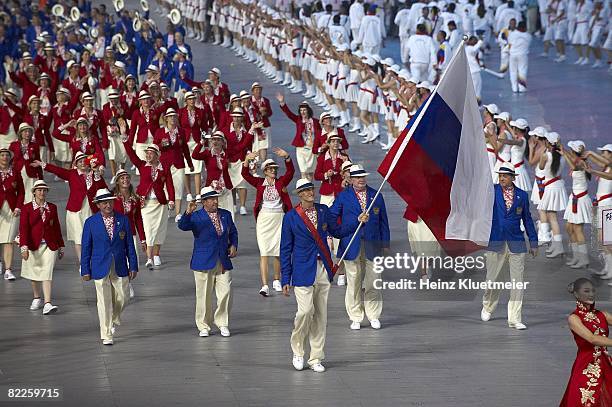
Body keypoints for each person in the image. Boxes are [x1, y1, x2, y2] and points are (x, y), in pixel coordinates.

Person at [280, 178, 359, 373]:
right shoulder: (290, 217)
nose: (310, 192)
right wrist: (285, 278)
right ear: (299, 194)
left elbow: (337, 231)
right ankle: (298, 349)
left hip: (323, 268)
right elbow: (285, 248)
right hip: (301, 270)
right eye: (305, 190)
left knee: (321, 316)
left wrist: (357, 221)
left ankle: (316, 357)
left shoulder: (323, 211)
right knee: (305, 311)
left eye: (311, 189)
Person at [329, 164, 390, 330]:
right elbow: (332, 216)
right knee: (354, 281)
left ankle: (374, 315)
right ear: (351, 179)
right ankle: (355, 316)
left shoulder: (376, 195)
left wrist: (385, 243)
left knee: (374, 280)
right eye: (357, 177)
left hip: (373, 243)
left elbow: (383, 221)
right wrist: (342, 230)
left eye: (363, 176)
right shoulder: (343, 196)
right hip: (351, 243)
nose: (361, 179)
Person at [481, 164, 538, 330]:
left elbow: (527, 219)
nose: (501, 179)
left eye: (505, 176)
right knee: (492, 279)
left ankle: (514, 318)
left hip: (516, 242)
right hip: (496, 240)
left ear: (513, 177)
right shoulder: (491, 191)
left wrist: (533, 242)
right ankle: (488, 305)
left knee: (517, 282)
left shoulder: (521, 195)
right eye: (500, 176)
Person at [178, 186, 238, 338]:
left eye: (215, 198)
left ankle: (222, 322)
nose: (214, 201)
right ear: (204, 202)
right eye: (211, 199)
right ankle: (203, 325)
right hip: (203, 260)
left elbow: (233, 232)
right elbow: (183, 226)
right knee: (203, 295)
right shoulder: (196, 216)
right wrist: (188, 212)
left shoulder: (226, 214)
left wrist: (233, 244)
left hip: (223, 260)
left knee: (226, 292)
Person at [81, 188, 138, 346]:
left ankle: (113, 317)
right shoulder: (90, 223)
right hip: (99, 266)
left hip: (120, 264)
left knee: (125, 296)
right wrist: (85, 269)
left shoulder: (123, 219)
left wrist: (133, 265)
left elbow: (129, 245)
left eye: (110, 201)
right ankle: (106, 334)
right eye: (104, 202)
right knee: (104, 301)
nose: (108, 205)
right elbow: (86, 247)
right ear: (98, 205)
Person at [32, 152, 107, 271]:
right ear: (76, 164)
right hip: (75, 210)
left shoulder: (94, 174)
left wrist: (97, 173)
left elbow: (103, 188)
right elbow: (57, 170)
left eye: (84, 160)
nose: (82, 163)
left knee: (92, 235)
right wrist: (42, 164)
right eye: (80, 161)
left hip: (91, 209)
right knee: (78, 237)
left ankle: (93, 260)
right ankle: (83, 263)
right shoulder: (71, 174)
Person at [242, 148, 295, 297]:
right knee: (264, 252)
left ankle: (277, 280)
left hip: (279, 218)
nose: (273, 170)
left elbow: (290, 172)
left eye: (274, 168)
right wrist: (247, 159)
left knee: (278, 250)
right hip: (264, 219)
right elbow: (245, 174)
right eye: (270, 168)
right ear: (265, 171)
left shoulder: (281, 182)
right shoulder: (259, 183)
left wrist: (287, 158)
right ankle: (264, 285)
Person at [560, 278, 612, 406]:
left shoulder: (603, 315)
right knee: (584, 400)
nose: (591, 294)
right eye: (586, 291)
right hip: (586, 365)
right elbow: (592, 339)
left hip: (605, 363)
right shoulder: (574, 318)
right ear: (576, 294)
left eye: (593, 291)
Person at [123, 141, 175, 269]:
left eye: (151, 153)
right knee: (148, 230)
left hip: (160, 203)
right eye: (147, 153)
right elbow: (132, 155)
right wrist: (125, 141)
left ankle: (156, 255)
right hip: (144, 204)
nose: (148, 155)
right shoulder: (142, 165)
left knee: (159, 230)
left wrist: (172, 199)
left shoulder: (164, 168)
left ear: (157, 155)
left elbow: (169, 185)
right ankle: (149, 258)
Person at [19, 180, 64, 314]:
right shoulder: (27, 208)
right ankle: (36, 297)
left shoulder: (53, 207)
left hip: (50, 245)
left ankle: (48, 303)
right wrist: (24, 247)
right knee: (34, 272)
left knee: (47, 273)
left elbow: (56, 228)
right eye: (39, 190)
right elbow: (24, 228)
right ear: (34, 192)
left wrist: (61, 246)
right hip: (33, 245)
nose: (42, 192)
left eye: (44, 190)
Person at [112, 169, 146, 299]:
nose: (125, 180)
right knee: (118, 259)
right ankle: (118, 284)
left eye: (127, 178)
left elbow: (138, 219)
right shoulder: (113, 197)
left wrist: (143, 239)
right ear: (117, 182)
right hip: (115, 234)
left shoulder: (135, 199)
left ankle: (127, 284)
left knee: (131, 259)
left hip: (130, 234)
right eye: (122, 178)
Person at [0, 147, 24, 281]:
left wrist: (18, 207)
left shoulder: (15, 172)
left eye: (6, 155)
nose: (4, 157)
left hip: (11, 209)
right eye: (2, 155)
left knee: (9, 240)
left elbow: (21, 191)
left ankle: (8, 270)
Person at [507, 21, 532, 93]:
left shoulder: (512, 34)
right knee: (522, 71)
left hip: (512, 54)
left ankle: (514, 88)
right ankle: (522, 88)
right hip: (523, 55)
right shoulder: (528, 36)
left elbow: (509, 44)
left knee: (513, 71)